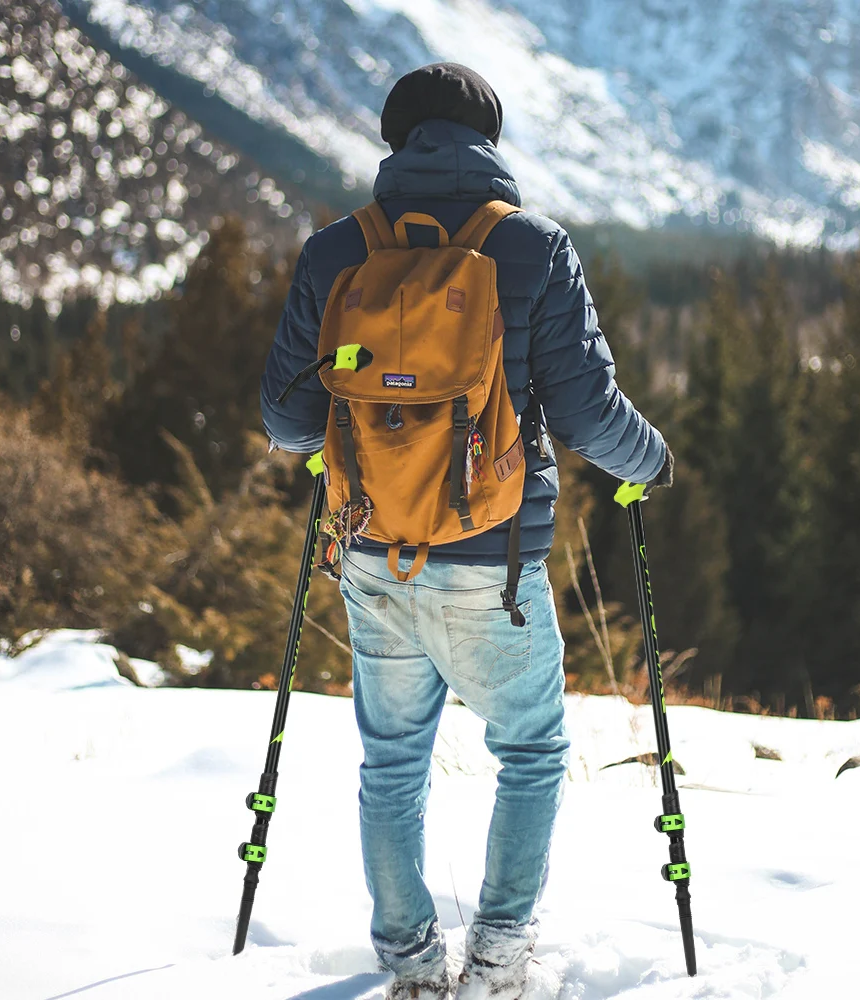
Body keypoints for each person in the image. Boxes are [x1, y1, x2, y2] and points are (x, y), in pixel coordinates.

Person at [261, 62, 672, 1000]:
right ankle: (497, 957)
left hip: (372, 551)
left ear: (395, 141)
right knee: (528, 753)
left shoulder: (336, 253)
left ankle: (409, 964)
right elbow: (584, 410)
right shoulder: (531, 248)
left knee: (392, 761)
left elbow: (285, 420)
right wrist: (649, 463)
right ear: (489, 141)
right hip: (496, 564)